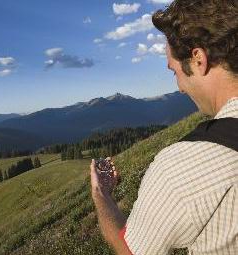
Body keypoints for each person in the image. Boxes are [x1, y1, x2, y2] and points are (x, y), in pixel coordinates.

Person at [90, 0, 238, 254]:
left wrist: (102, 197)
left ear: (199, 59)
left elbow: (130, 249)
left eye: (174, 71)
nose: (179, 87)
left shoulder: (179, 171)